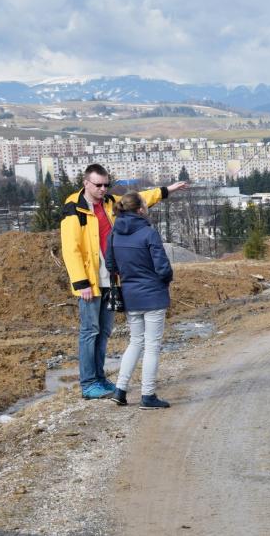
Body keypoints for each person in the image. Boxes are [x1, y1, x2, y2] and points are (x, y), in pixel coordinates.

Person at [59, 164, 186, 399]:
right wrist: (81, 282)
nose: (103, 189)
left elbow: (137, 200)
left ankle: (100, 378)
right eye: (98, 185)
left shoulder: (109, 202)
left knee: (104, 331)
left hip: (112, 279)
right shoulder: (74, 209)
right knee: (90, 331)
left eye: (106, 184)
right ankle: (88, 384)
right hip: (90, 282)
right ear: (86, 183)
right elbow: (71, 249)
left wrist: (167, 190)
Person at [104, 193, 173, 409]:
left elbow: (110, 265)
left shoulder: (114, 233)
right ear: (140, 209)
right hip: (152, 295)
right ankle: (148, 395)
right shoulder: (148, 233)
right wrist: (165, 280)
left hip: (130, 296)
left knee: (135, 342)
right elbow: (162, 267)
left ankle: (120, 390)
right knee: (152, 346)